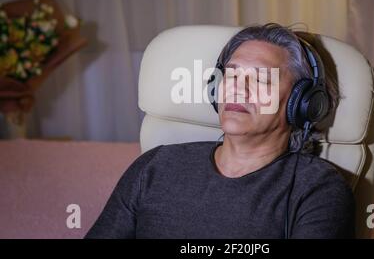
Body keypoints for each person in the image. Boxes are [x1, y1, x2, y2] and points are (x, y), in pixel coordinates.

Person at [85, 23, 355, 239]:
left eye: (261, 78)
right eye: (232, 75)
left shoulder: (318, 188)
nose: (238, 88)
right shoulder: (155, 166)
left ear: (302, 103)